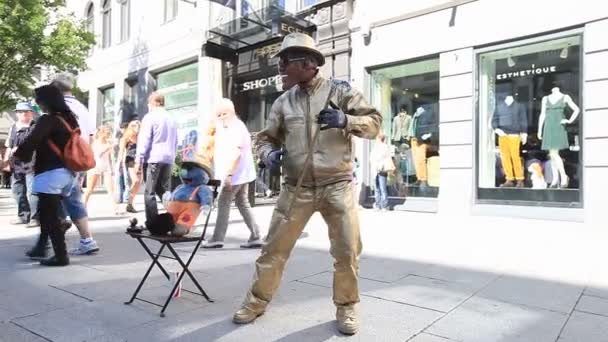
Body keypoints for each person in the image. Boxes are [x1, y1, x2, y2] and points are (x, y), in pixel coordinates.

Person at [232, 33, 382, 336]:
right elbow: (263, 139)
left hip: (337, 185)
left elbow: (375, 123)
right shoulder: (282, 102)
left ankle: (347, 306)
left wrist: (345, 120)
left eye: (285, 62)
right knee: (273, 249)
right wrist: (269, 154)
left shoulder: (339, 91)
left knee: (347, 251)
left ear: (309, 63)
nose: (280, 68)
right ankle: (256, 301)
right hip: (295, 188)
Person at [14, 85, 82, 266]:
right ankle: (42, 246)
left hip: (50, 172)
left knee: (48, 215)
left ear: (46, 101)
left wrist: (17, 157)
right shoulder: (69, 119)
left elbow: (32, 141)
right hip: (68, 173)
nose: (38, 106)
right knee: (46, 212)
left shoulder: (48, 120)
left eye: (39, 102)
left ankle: (61, 255)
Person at [50, 73, 100, 256]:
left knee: (52, 199)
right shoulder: (82, 108)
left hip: (59, 160)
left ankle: (55, 239)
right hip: (78, 161)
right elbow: (91, 136)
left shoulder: (57, 108)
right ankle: (86, 239)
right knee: (72, 199)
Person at [202, 98, 263, 249]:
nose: (222, 117)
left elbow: (236, 153)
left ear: (232, 112)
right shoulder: (234, 126)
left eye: (224, 113)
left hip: (235, 175)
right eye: (219, 114)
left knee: (224, 203)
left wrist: (229, 175)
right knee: (242, 202)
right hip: (241, 173)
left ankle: (217, 238)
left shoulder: (235, 127)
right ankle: (255, 236)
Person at [134, 92, 178, 226]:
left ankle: (152, 222)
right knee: (163, 190)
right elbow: (175, 140)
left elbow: (144, 140)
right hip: (168, 158)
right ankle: (175, 216)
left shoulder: (150, 117)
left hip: (153, 158)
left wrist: (138, 159)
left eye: (149, 103)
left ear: (153, 103)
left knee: (149, 191)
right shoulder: (171, 118)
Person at [3, 103, 39, 227]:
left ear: (31, 113)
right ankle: (23, 216)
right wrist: (6, 161)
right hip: (16, 165)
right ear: (17, 113)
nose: (23, 114)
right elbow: (9, 146)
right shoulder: (13, 127)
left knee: (32, 192)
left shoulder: (37, 127)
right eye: (20, 111)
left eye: (26, 111)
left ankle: (35, 218)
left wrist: (20, 148)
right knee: (17, 191)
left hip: (32, 164)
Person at [83, 125, 121, 214]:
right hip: (95, 167)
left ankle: (115, 208)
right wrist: (107, 147)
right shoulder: (95, 143)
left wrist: (111, 169)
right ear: (101, 133)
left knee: (111, 189)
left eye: (109, 132)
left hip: (106, 167)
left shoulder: (108, 143)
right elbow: (98, 154)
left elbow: (109, 157)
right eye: (107, 132)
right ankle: (83, 206)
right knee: (90, 189)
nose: (108, 134)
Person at [117, 120, 141, 213]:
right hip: (130, 160)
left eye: (138, 126)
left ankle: (130, 204)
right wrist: (120, 164)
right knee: (135, 180)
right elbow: (121, 152)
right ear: (131, 127)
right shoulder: (126, 138)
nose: (137, 127)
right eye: (135, 125)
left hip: (139, 160)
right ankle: (128, 201)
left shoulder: (141, 137)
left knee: (137, 183)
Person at [370, 133, 392, 211]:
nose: (376, 140)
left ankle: (378, 205)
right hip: (381, 169)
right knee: (382, 188)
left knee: (378, 188)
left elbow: (371, 158)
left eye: (376, 138)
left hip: (377, 169)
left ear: (379, 138)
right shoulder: (385, 147)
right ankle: (384, 206)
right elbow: (388, 158)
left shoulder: (377, 147)